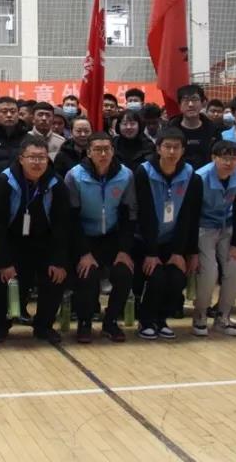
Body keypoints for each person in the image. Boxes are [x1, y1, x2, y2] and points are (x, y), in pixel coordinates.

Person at [0, 135, 71, 345]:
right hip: (11, 242)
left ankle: (44, 326)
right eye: (32, 157)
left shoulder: (56, 183)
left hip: (44, 243)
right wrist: (4, 263)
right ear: (21, 158)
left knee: (56, 276)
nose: (37, 162)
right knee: (2, 278)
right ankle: (1, 325)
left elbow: (62, 226)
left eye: (42, 157)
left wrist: (58, 261)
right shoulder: (4, 182)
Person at [132, 129, 202, 340]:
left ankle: (161, 319)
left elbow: (190, 216)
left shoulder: (191, 176)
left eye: (176, 147)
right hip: (145, 242)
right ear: (158, 148)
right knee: (157, 277)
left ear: (183, 150)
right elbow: (144, 214)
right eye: (167, 147)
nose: (172, 152)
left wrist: (180, 252)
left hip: (173, 242)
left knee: (177, 277)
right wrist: (151, 252)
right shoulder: (143, 172)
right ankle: (146, 320)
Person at [65, 132, 136, 343]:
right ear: (88, 152)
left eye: (107, 149)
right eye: (97, 150)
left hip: (112, 237)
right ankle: (84, 322)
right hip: (84, 237)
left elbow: (129, 215)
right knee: (87, 274)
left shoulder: (126, 175)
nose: (103, 154)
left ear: (113, 151)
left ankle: (111, 321)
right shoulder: (74, 176)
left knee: (124, 272)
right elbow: (71, 219)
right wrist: (84, 253)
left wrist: (124, 250)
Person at [192, 140, 236, 337]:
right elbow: (190, 215)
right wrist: (191, 250)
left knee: (235, 271)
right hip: (203, 228)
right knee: (209, 273)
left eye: (233, 158)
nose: (228, 163)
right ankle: (200, 316)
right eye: (224, 158)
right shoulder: (199, 177)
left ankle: (223, 317)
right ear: (213, 158)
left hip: (228, 227)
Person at [167, 84, 220, 170]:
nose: (190, 104)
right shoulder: (169, 131)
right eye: (185, 100)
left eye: (195, 99)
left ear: (203, 103)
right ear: (179, 105)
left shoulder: (214, 131)